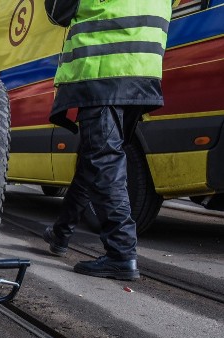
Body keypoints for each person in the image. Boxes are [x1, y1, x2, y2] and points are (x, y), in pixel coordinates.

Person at [42, 0, 171, 280]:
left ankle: (121, 253)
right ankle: (61, 233)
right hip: (144, 66)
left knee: (104, 160)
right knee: (96, 155)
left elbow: (58, 12)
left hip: (104, 68)